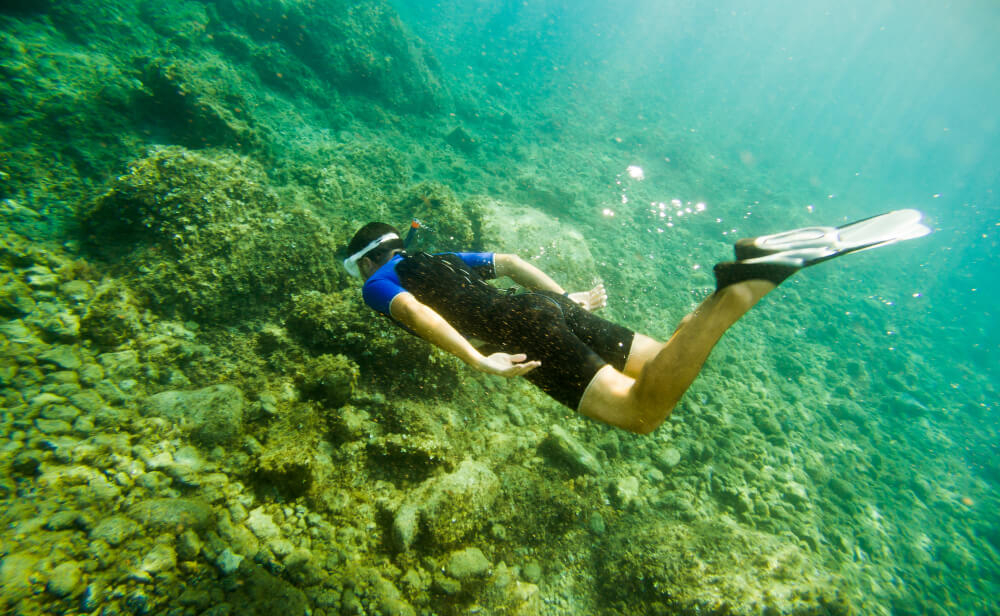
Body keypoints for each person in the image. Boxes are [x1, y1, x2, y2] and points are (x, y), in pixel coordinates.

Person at [343, 210, 929, 434]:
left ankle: (748, 285)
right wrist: (566, 299)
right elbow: (513, 261)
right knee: (662, 359)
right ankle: (754, 272)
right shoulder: (438, 256)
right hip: (543, 308)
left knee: (640, 413)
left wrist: (479, 358)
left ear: (368, 261)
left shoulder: (378, 282)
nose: (362, 279)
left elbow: (417, 314)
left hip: (521, 331)